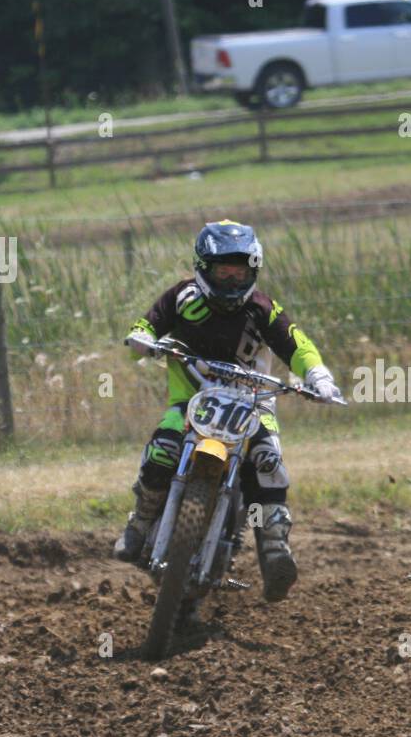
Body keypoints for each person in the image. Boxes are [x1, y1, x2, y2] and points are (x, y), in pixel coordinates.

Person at [113, 219, 340, 603]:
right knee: (164, 447)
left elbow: (297, 345)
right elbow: (145, 325)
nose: (233, 280)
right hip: (191, 402)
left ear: (253, 271)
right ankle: (140, 523)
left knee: (267, 460)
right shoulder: (182, 298)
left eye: (241, 272)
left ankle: (273, 550)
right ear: (204, 268)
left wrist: (319, 377)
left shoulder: (263, 309)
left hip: (252, 404)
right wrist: (144, 341)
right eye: (224, 271)